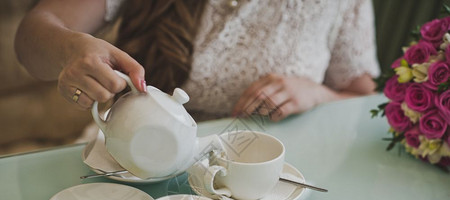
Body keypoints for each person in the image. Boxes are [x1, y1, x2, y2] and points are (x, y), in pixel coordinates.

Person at [15, 0, 379, 122]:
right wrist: (68, 49)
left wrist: (316, 94)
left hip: (268, 186)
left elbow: (365, 99)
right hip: (137, 169)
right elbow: (32, 33)